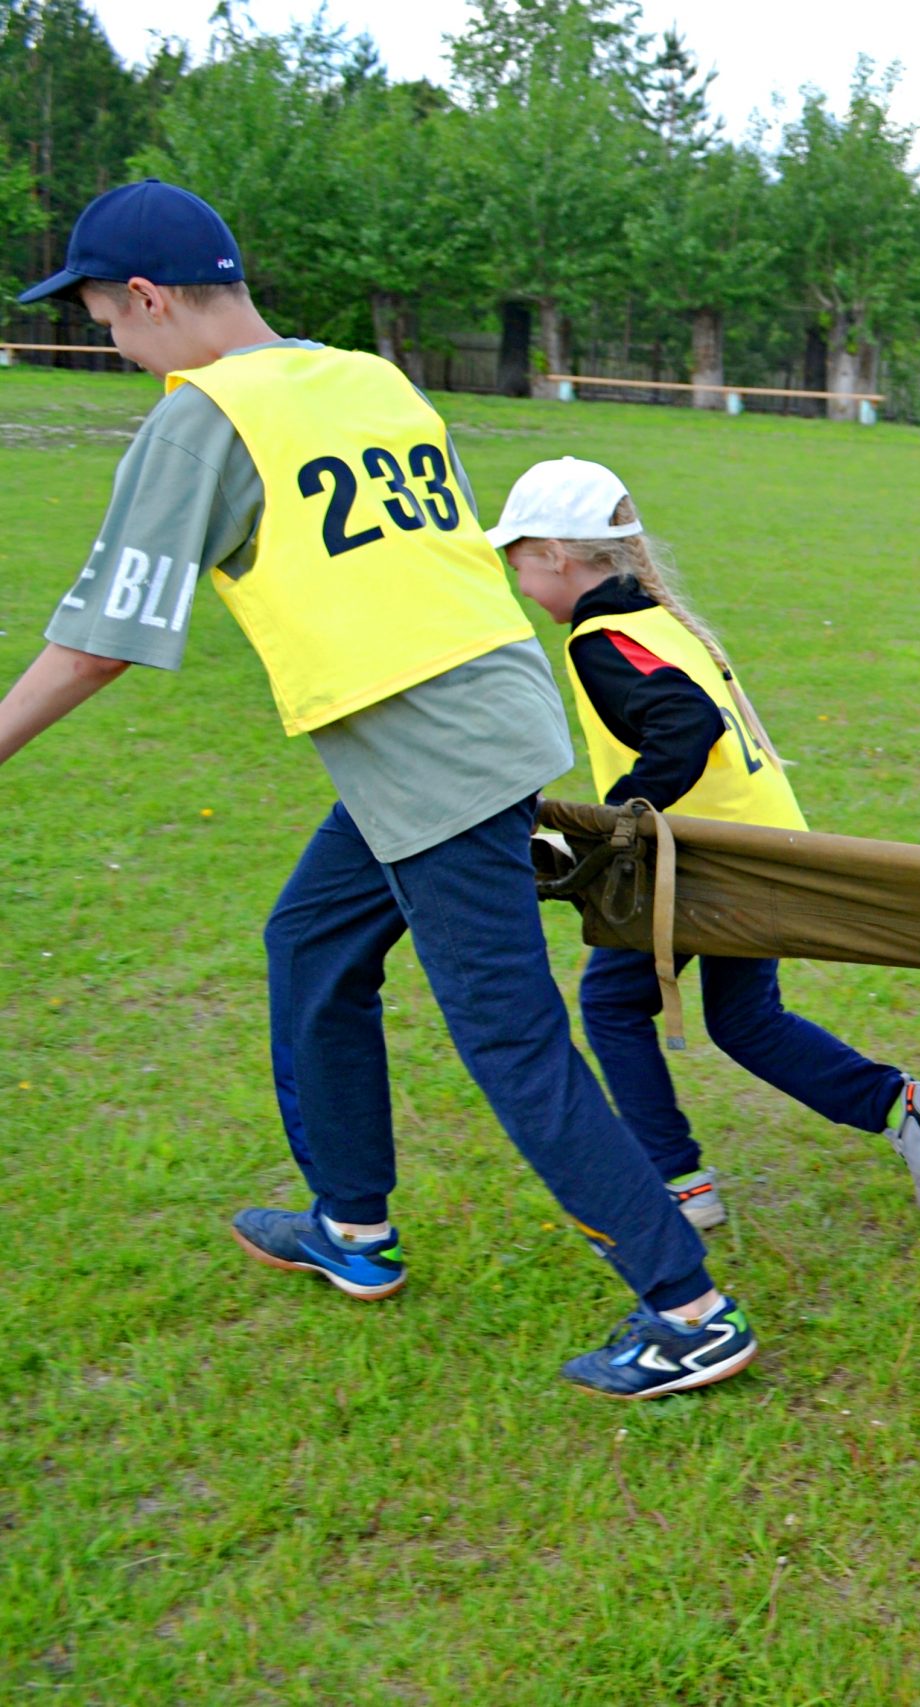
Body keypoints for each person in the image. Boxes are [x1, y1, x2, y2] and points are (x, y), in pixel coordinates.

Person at [0, 180, 752, 1398]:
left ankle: (689, 1308)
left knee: (513, 1041)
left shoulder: (202, 418)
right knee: (311, 942)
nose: (113, 345)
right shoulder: (363, 374)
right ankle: (352, 1228)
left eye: (104, 318)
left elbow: (103, 639)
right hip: (487, 713)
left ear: (145, 297)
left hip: (432, 755)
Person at [491, 456, 920, 1229]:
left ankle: (676, 1182)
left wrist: (614, 822)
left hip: (708, 863)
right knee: (744, 1020)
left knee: (612, 1005)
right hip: (757, 850)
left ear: (557, 553)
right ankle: (905, 1105)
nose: (518, 577)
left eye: (519, 559)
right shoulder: (652, 619)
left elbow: (685, 723)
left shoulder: (602, 638)